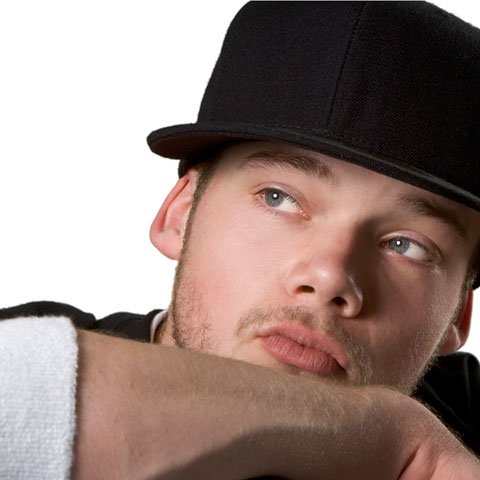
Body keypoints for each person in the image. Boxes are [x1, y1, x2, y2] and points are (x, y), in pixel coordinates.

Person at [1, 1, 480, 479]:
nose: (329, 276)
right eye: (278, 198)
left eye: (406, 245)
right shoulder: (30, 341)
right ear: (180, 215)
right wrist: (396, 439)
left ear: (457, 314)